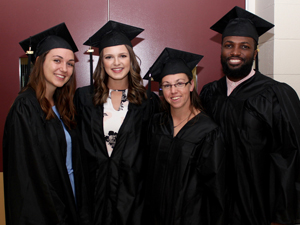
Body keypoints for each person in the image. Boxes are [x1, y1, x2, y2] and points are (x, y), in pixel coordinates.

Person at [200, 6, 300, 225]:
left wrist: (282, 216)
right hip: (215, 204)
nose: (235, 53)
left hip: (258, 205)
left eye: (244, 47)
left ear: (255, 52)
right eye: (229, 46)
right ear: (221, 50)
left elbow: (289, 157)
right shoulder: (209, 92)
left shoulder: (276, 94)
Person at [3, 23, 91, 225]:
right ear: (40, 62)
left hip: (70, 197)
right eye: (57, 61)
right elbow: (29, 174)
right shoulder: (25, 107)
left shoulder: (63, 106)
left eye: (70, 63)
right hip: (46, 210)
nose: (64, 69)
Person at [74, 20, 160, 225]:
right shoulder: (84, 98)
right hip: (94, 196)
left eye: (122, 56)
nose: (116, 63)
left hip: (133, 199)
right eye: (109, 57)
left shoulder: (148, 102)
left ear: (131, 59)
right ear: (101, 61)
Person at [142, 47, 226, 225]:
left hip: (191, 218)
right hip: (155, 217)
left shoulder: (208, 131)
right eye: (167, 85)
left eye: (179, 83)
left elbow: (216, 189)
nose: (173, 91)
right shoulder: (156, 124)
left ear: (191, 85)